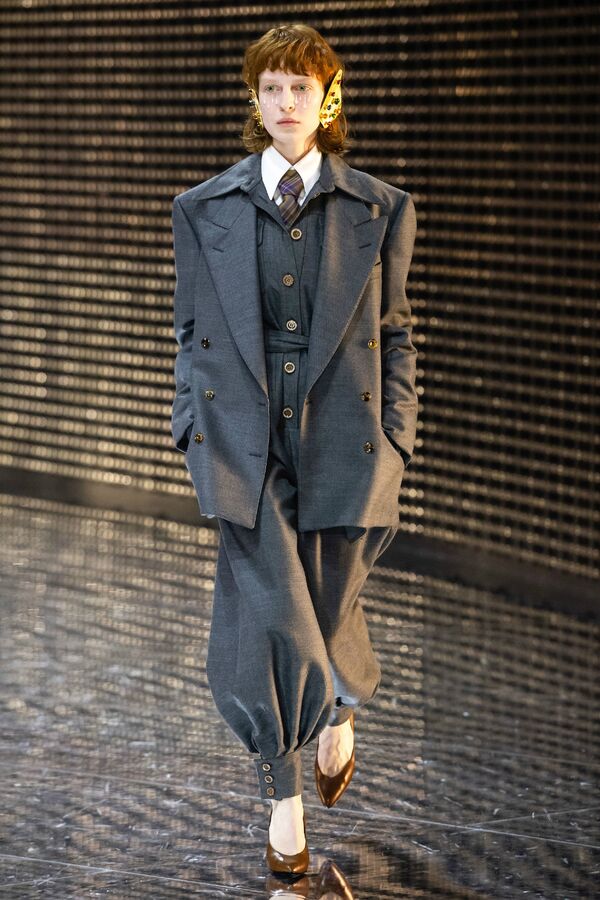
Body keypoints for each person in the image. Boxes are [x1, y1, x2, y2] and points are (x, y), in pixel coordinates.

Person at [170, 23, 418, 875]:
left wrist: (398, 436)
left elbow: (396, 332)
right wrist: (190, 430)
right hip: (241, 439)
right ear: (255, 97)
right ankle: (283, 800)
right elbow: (190, 332)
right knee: (270, 617)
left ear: (329, 99)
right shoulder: (202, 208)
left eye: (300, 88)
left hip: (349, 437)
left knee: (329, 606)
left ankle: (341, 705)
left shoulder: (380, 207)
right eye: (270, 87)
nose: (284, 103)